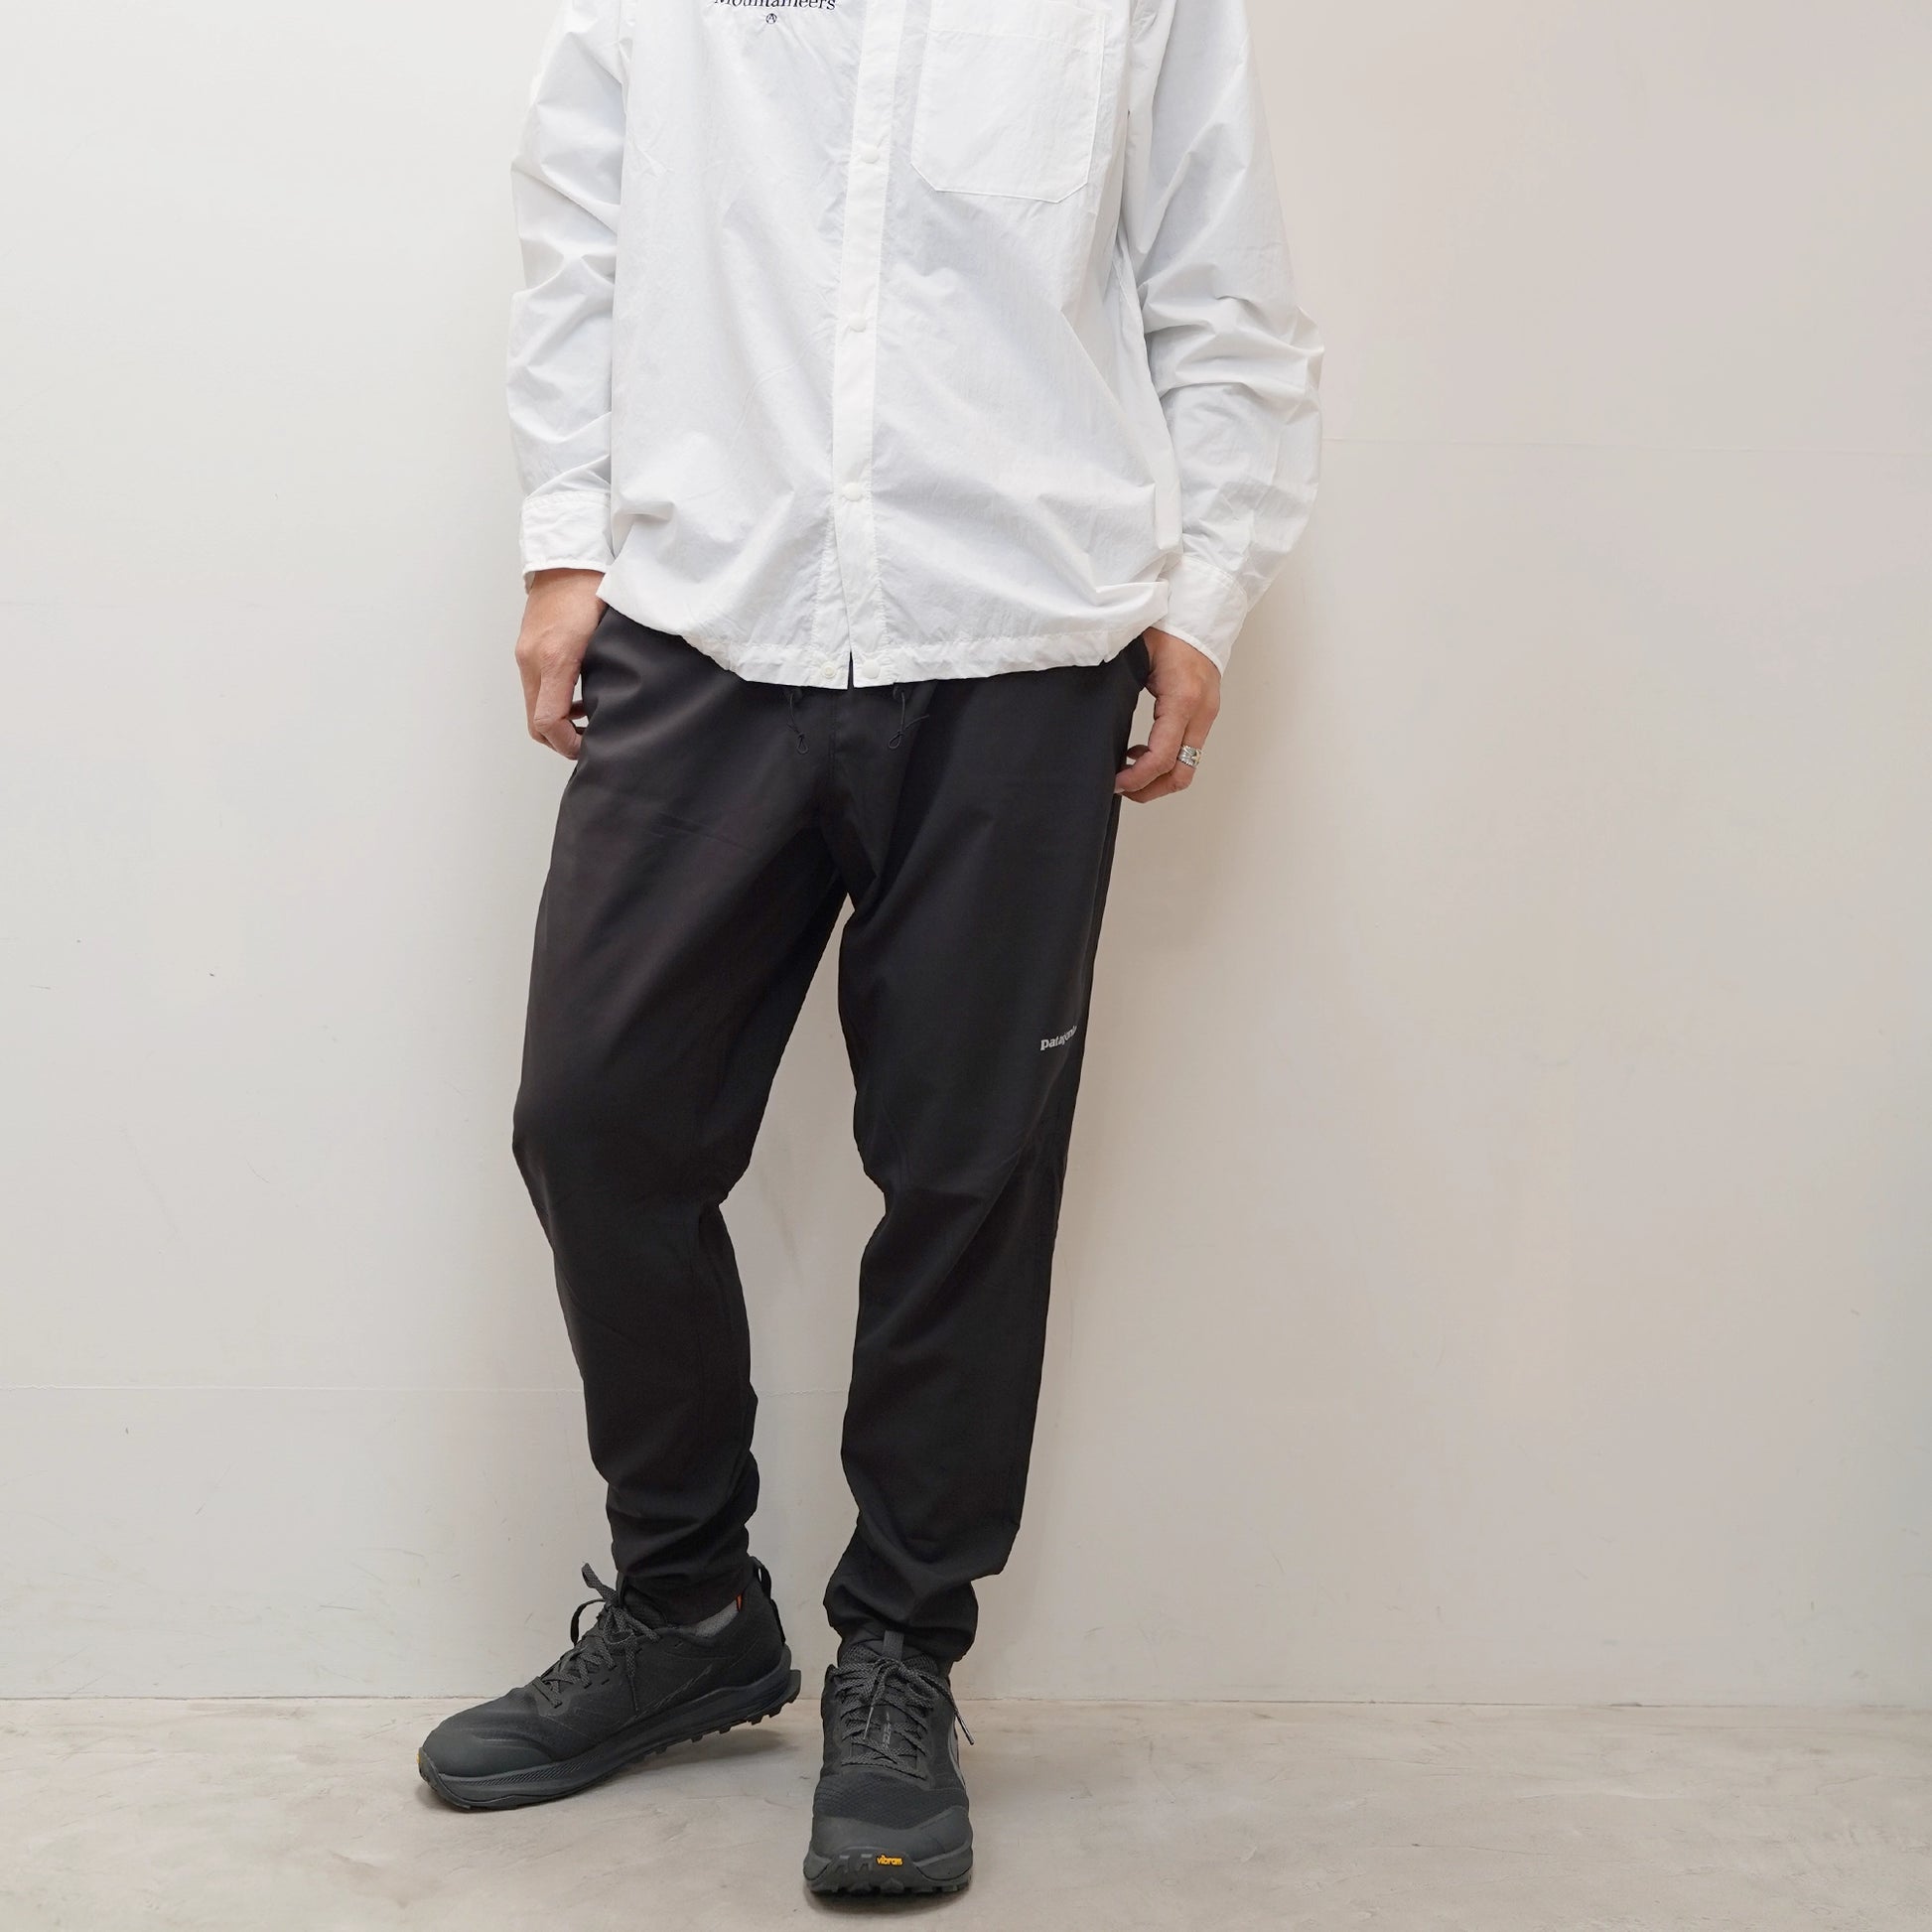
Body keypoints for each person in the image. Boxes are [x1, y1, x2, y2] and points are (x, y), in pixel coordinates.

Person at [416, 0, 1321, 1895]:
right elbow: (578, 218)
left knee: (965, 1170)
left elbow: (1216, 279)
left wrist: (1208, 588)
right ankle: (686, 1606)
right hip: (707, 611)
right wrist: (565, 541)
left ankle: (900, 1650)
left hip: (1018, 633)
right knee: (597, 1117)